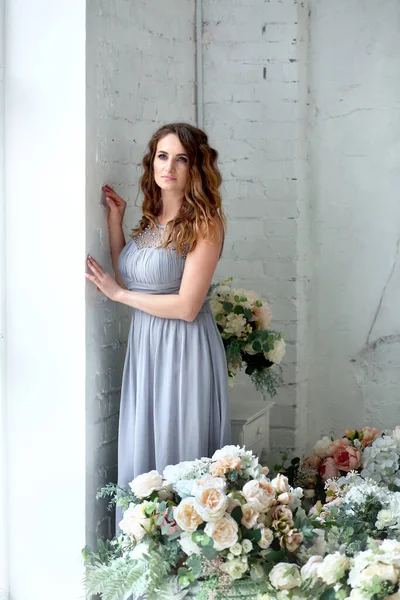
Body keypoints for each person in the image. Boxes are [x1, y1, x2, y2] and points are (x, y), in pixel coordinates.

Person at [85, 122, 231, 529]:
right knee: (144, 447)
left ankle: (184, 573)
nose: (169, 167)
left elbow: (186, 306)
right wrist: (117, 222)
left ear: (196, 168)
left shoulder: (206, 222)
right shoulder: (151, 221)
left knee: (177, 447)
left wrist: (118, 296)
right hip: (147, 345)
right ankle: (142, 565)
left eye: (181, 159)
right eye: (163, 157)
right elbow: (133, 279)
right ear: (152, 163)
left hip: (184, 347)